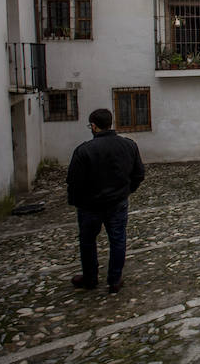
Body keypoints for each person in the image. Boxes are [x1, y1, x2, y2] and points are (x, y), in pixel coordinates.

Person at [67, 108, 145, 294]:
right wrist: (126, 191)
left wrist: (77, 201)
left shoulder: (84, 150)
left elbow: (74, 182)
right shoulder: (128, 145)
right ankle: (114, 279)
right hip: (117, 202)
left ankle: (90, 278)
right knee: (118, 240)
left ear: (93, 126)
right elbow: (139, 174)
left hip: (89, 206)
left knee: (87, 241)